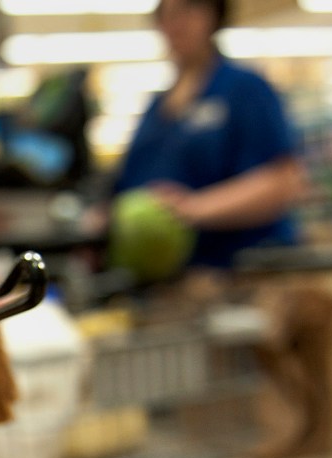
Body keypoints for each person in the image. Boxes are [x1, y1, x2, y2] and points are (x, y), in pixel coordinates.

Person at [114, 0, 306, 269]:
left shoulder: (244, 89)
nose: (176, 24)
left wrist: (193, 209)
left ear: (214, 18)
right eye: (167, 16)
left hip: (241, 268)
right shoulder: (156, 107)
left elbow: (282, 181)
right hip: (170, 278)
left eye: (188, 11)